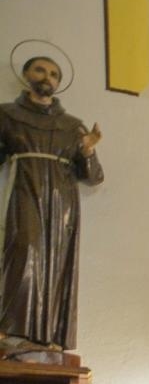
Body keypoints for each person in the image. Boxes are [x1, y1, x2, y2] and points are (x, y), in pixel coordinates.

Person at [1, 51, 104, 355]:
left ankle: (49, 338)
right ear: (26, 75)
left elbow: (93, 176)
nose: (47, 77)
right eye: (40, 70)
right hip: (25, 188)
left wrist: (87, 150)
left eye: (53, 74)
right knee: (24, 250)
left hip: (62, 200)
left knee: (57, 263)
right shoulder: (7, 115)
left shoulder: (72, 126)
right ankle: (13, 332)